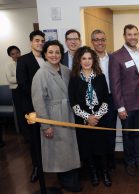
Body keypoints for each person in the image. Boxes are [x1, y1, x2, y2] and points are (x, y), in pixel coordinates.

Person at [31, 40, 81, 192]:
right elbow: (38, 102)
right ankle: (66, 180)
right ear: (45, 54)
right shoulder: (41, 74)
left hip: (68, 113)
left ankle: (71, 177)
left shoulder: (66, 70)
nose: (54, 55)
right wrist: (46, 125)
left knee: (69, 148)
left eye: (57, 52)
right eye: (50, 52)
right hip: (54, 117)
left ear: (61, 54)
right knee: (59, 150)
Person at [68, 46, 112, 187]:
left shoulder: (101, 77)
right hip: (83, 121)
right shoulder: (74, 79)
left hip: (100, 119)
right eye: (83, 58)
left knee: (102, 148)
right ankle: (93, 173)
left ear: (94, 60)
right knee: (88, 148)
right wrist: (87, 117)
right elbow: (73, 102)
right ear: (79, 61)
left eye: (89, 58)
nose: (87, 61)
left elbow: (106, 99)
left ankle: (105, 173)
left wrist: (96, 117)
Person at [109, 24, 139, 176]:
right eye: (129, 34)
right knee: (128, 134)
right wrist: (120, 107)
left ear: (138, 35)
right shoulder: (116, 56)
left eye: (135, 34)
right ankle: (130, 162)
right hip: (127, 104)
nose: (133, 37)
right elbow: (115, 83)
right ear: (124, 36)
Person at [16, 30, 45, 182]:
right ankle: (36, 167)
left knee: (48, 136)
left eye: (42, 41)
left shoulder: (48, 58)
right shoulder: (23, 60)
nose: (40, 43)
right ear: (31, 42)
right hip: (31, 107)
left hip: (47, 107)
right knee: (34, 139)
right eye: (37, 40)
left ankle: (48, 165)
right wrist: (40, 96)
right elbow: (22, 84)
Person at [91, 29, 117, 170]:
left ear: (106, 41)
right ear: (92, 42)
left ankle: (110, 162)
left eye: (102, 39)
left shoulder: (113, 58)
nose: (100, 42)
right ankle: (97, 165)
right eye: (96, 39)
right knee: (95, 134)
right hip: (93, 102)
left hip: (110, 99)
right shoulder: (88, 59)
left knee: (110, 133)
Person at [6, 46, 29, 143]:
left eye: (17, 52)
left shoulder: (25, 62)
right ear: (10, 56)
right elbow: (10, 79)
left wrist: (21, 78)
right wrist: (21, 78)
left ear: (20, 52)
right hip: (16, 92)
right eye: (13, 54)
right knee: (21, 114)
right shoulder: (9, 65)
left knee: (29, 112)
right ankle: (26, 137)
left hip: (26, 90)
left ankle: (33, 134)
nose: (16, 55)